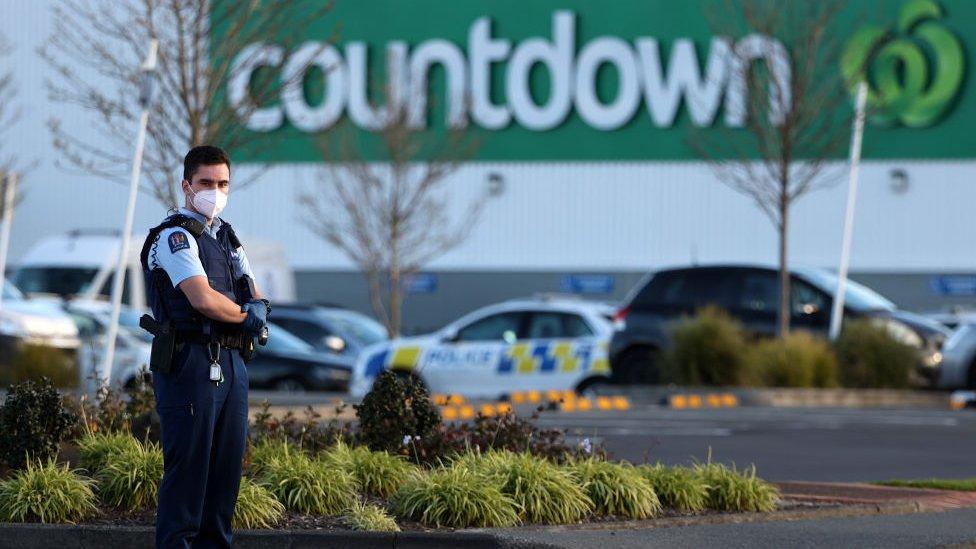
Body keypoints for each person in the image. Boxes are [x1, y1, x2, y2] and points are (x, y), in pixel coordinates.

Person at [140, 145, 269, 548]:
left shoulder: (227, 238)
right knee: (190, 477)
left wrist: (255, 310)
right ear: (186, 185)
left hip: (231, 364)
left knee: (224, 478)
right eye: (206, 183)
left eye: (223, 183)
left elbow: (257, 295)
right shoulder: (175, 236)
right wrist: (248, 316)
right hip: (190, 363)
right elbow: (201, 298)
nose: (215, 191)